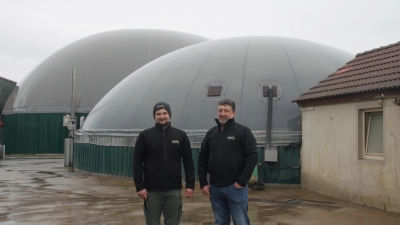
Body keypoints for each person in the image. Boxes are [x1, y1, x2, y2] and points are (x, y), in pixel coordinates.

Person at [198, 98, 258, 225]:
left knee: (240, 221)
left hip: (235, 187)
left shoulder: (243, 131)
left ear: (233, 113)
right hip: (215, 188)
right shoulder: (211, 133)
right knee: (220, 221)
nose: (222, 113)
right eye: (220, 110)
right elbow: (202, 158)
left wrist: (242, 181)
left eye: (226, 110)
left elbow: (252, 156)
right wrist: (203, 182)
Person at [133, 102, 195, 225]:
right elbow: (137, 162)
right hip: (152, 192)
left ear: (169, 115)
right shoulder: (145, 136)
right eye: (158, 114)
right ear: (154, 116)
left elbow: (188, 161)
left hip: (174, 191)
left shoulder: (180, 135)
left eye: (164, 113)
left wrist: (190, 185)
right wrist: (140, 187)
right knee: (152, 222)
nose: (162, 116)